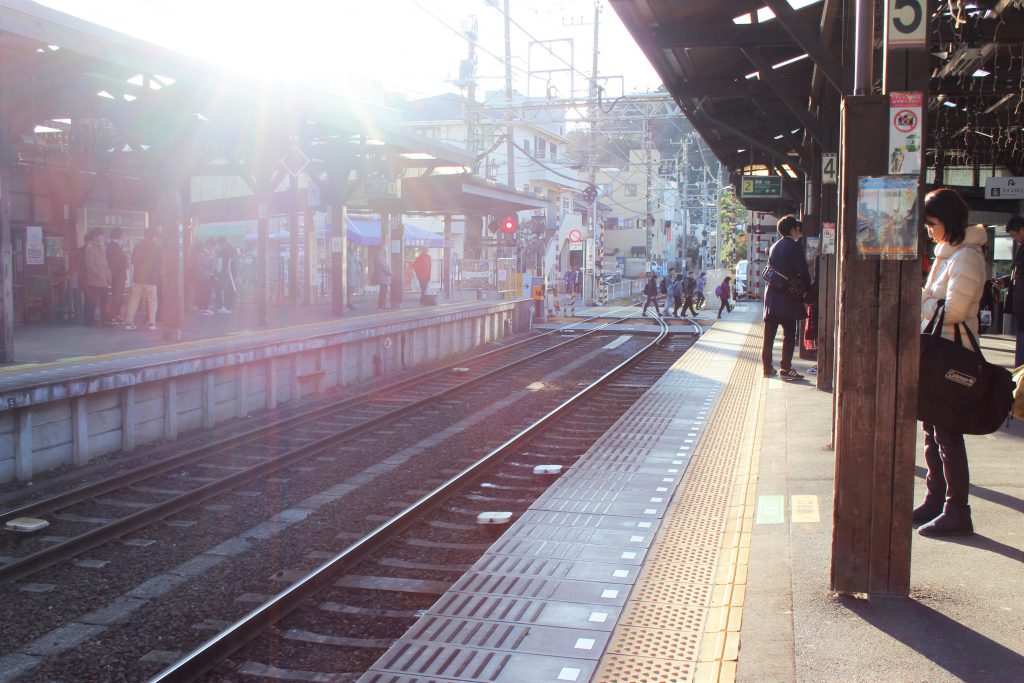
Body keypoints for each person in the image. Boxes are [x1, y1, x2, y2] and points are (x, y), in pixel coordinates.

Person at [914, 188, 987, 537]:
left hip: (952, 357)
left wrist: (924, 300)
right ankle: (936, 499)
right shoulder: (949, 254)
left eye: (932, 223)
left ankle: (957, 510)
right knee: (933, 431)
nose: (929, 230)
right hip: (938, 354)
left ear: (950, 222)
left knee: (948, 435)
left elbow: (954, 311)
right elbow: (935, 302)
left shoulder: (967, 258)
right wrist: (929, 299)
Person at [762, 215, 811, 380]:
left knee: (768, 336)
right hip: (787, 298)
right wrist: (809, 289)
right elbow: (803, 270)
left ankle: (767, 368)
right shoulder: (793, 246)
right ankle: (786, 368)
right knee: (789, 334)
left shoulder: (774, 246)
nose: (798, 232)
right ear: (792, 229)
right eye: (797, 229)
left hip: (772, 296)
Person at [993, 215, 1024, 366]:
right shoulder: (1022, 248)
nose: (1014, 238)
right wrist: (1005, 281)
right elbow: (1017, 274)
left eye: (1014, 234)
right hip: (1020, 308)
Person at [124, 228, 161, 330]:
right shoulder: (155, 247)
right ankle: (151, 323)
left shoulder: (138, 246)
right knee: (152, 300)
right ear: (153, 236)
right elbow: (158, 264)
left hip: (138, 278)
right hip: (151, 279)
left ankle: (129, 321)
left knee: (134, 299)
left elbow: (133, 260)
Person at [82, 230, 111, 326]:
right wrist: (100, 275)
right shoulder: (90, 248)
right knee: (93, 301)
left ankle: (105, 319)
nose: (102, 237)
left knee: (104, 300)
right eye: (100, 235)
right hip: (95, 280)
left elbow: (106, 263)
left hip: (104, 280)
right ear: (95, 237)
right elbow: (90, 265)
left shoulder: (102, 247)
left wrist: (108, 275)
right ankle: (89, 319)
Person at [105, 228, 128, 324]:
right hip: (117, 275)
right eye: (123, 234)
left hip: (119, 275)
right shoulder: (113, 245)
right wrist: (125, 260)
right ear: (118, 235)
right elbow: (114, 262)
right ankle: (113, 316)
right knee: (116, 296)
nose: (124, 236)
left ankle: (116, 315)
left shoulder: (116, 245)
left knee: (119, 295)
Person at [191, 239, 216, 315]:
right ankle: (203, 308)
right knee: (205, 292)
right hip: (204, 276)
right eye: (212, 247)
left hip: (203, 276)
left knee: (204, 292)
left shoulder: (204, 253)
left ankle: (203, 308)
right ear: (209, 245)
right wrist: (211, 261)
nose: (212, 249)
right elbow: (203, 265)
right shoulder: (204, 254)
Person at [215, 237, 237, 314]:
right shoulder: (226, 251)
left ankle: (220, 306)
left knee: (220, 289)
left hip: (221, 272)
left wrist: (217, 272)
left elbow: (219, 262)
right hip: (224, 272)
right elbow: (226, 263)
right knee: (221, 289)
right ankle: (221, 307)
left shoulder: (222, 251)